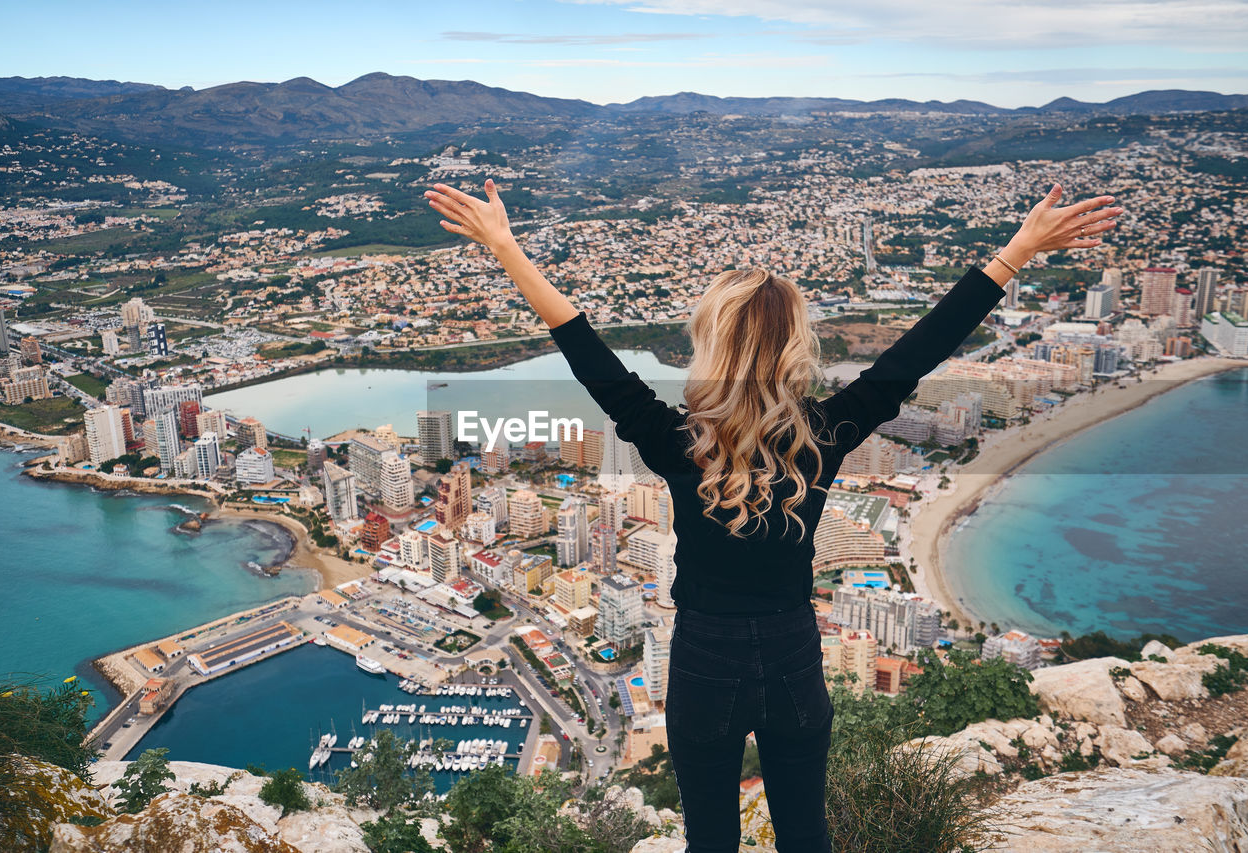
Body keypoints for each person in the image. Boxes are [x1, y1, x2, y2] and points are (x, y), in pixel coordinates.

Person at [424, 178, 1122, 851]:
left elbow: (580, 343)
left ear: (712, 346)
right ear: (794, 348)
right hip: (793, 656)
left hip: (701, 661)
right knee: (804, 836)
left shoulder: (674, 438)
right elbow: (923, 345)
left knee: (713, 843)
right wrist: (1018, 251)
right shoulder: (827, 431)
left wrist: (507, 247)